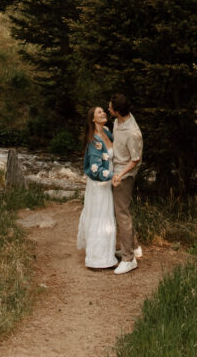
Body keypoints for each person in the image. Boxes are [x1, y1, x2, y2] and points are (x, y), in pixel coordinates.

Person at [76, 106, 117, 269]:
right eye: (99, 112)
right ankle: (96, 259)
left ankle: (107, 255)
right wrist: (111, 176)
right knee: (100, 218)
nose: (103, 113)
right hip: (99, 185)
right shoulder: (94, 141)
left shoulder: (107, 132)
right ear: (93, 119)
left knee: (106, 217)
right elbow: (95, 169)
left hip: (108, 183)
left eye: (103, 111)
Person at [109, 92, 143, 275]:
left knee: (121, 213)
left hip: (125, 175)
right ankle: (133, 246)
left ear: (118, 111)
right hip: (117, 171)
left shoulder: (132, 132)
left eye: (110, 107)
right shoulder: (117, 122)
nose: (108, 109)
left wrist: (120, 174)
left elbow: (135, 159)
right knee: (122, 211)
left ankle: (129, 259)